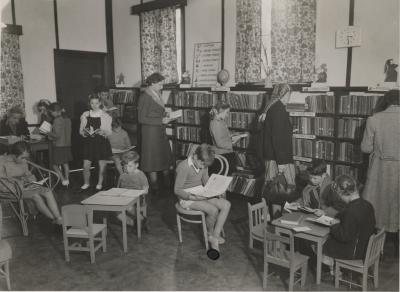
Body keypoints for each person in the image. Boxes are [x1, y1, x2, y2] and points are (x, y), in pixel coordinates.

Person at [361, 89, 399, 249]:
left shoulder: (374, 119)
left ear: (386, 101)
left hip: (380, 170)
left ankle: (376, 247)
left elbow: (365, 148)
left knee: (377, 206)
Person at [174, 144, 231, 251]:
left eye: (205, 165)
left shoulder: (203, 164)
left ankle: (215, 235)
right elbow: (177, 190)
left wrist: (216, 190)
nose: (203, 167)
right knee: (212, 210)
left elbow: (205, 180)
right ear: (195, 157)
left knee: (226, 204)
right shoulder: (183, 166)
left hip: (201, 191)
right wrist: (193, 197)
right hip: (186, 196)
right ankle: (210, 234)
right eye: (202, 164)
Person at [322, 175, 376, 275]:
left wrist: (334, 225)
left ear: (343, 193)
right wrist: (340, 217)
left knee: (323, 243)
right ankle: (333, 268)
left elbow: (344, 236)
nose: (339, 198)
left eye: (338, 194)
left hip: (354, 252)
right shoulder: (367, 205)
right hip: (366, 247)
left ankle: (334, 271)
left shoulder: (351, 211)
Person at [0, 141, 62, 224]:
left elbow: (28, 175)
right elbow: (3, 184)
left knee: (48, 191)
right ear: (14, 155)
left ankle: (59, 218)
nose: (25, 160)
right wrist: (22, 186)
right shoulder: (2, 162)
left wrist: (33, 182)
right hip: (11, 191)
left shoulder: (23, 161)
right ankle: (54, 220)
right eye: (23, 158)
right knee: (35, 196)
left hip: (25, 187)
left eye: (26, 158)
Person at [258, 83, 295, 216]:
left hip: (271, 156)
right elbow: (278, 138)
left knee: (271, 187)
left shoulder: (270, 106)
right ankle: (279, 219)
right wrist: (281, 163)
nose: (289, 98)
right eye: (288, 95)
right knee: (285, 187)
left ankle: (266, 216)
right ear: (282, 94)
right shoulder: (279, 109)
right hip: (279, 157)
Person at [138, 72, 172, 195]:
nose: (162, 87)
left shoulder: (156, 93)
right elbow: (141, 118)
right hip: (150, 133)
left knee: (163, 156)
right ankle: (155, 187)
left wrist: (165, 115)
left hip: (159, 130)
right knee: (152, 159)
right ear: (152, 83)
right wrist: (160, 120)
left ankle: (167, 184)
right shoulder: (144, 96)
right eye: (160, 84)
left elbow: (155, 111)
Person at [79, 94, 113, 191]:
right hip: (89, 143)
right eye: (92, 103)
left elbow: (109, 132)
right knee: (86, 165)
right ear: (89, 103)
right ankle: (86, 183)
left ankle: (99, 183)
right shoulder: (85, 115)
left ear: (100, 103)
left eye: (96, 103)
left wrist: (103, 132)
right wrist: (85, 133)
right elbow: (81, 131)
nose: (94, 105)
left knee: (101, 165)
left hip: (101, 142)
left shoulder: (105, 116)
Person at [209, 101, 242, 175]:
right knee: (224, 178)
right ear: (220, 111)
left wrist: (233, 135)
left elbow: (224, 135)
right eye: (227, 112)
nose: (227, 115)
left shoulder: (220, 121)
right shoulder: (215, 123)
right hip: (222, 155)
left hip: (227, 153)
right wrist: (233, 142)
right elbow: (220, 143)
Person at [116, 151, 149, 226]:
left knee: (129, 207)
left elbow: (146, 191)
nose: (127, 169)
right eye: (125, 166)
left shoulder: (141, 175)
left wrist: (136, 193)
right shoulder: (122, 176)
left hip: (138, 200)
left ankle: (141, 220)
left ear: (136, 165)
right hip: (125, 199)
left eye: (130, 166)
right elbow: (118, 189)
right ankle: (135, 223)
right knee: (117, 213)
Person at [47, 102, 72, 187]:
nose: (51, 114)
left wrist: (48, 133)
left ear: (55, 111)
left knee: (54, 164)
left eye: (51, 112)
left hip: (59, 146)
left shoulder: (57, 120)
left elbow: (57, 135)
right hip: (67, 145)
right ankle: (67, 180)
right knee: (65, 163)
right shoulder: (67, 119)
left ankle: (63, 179)